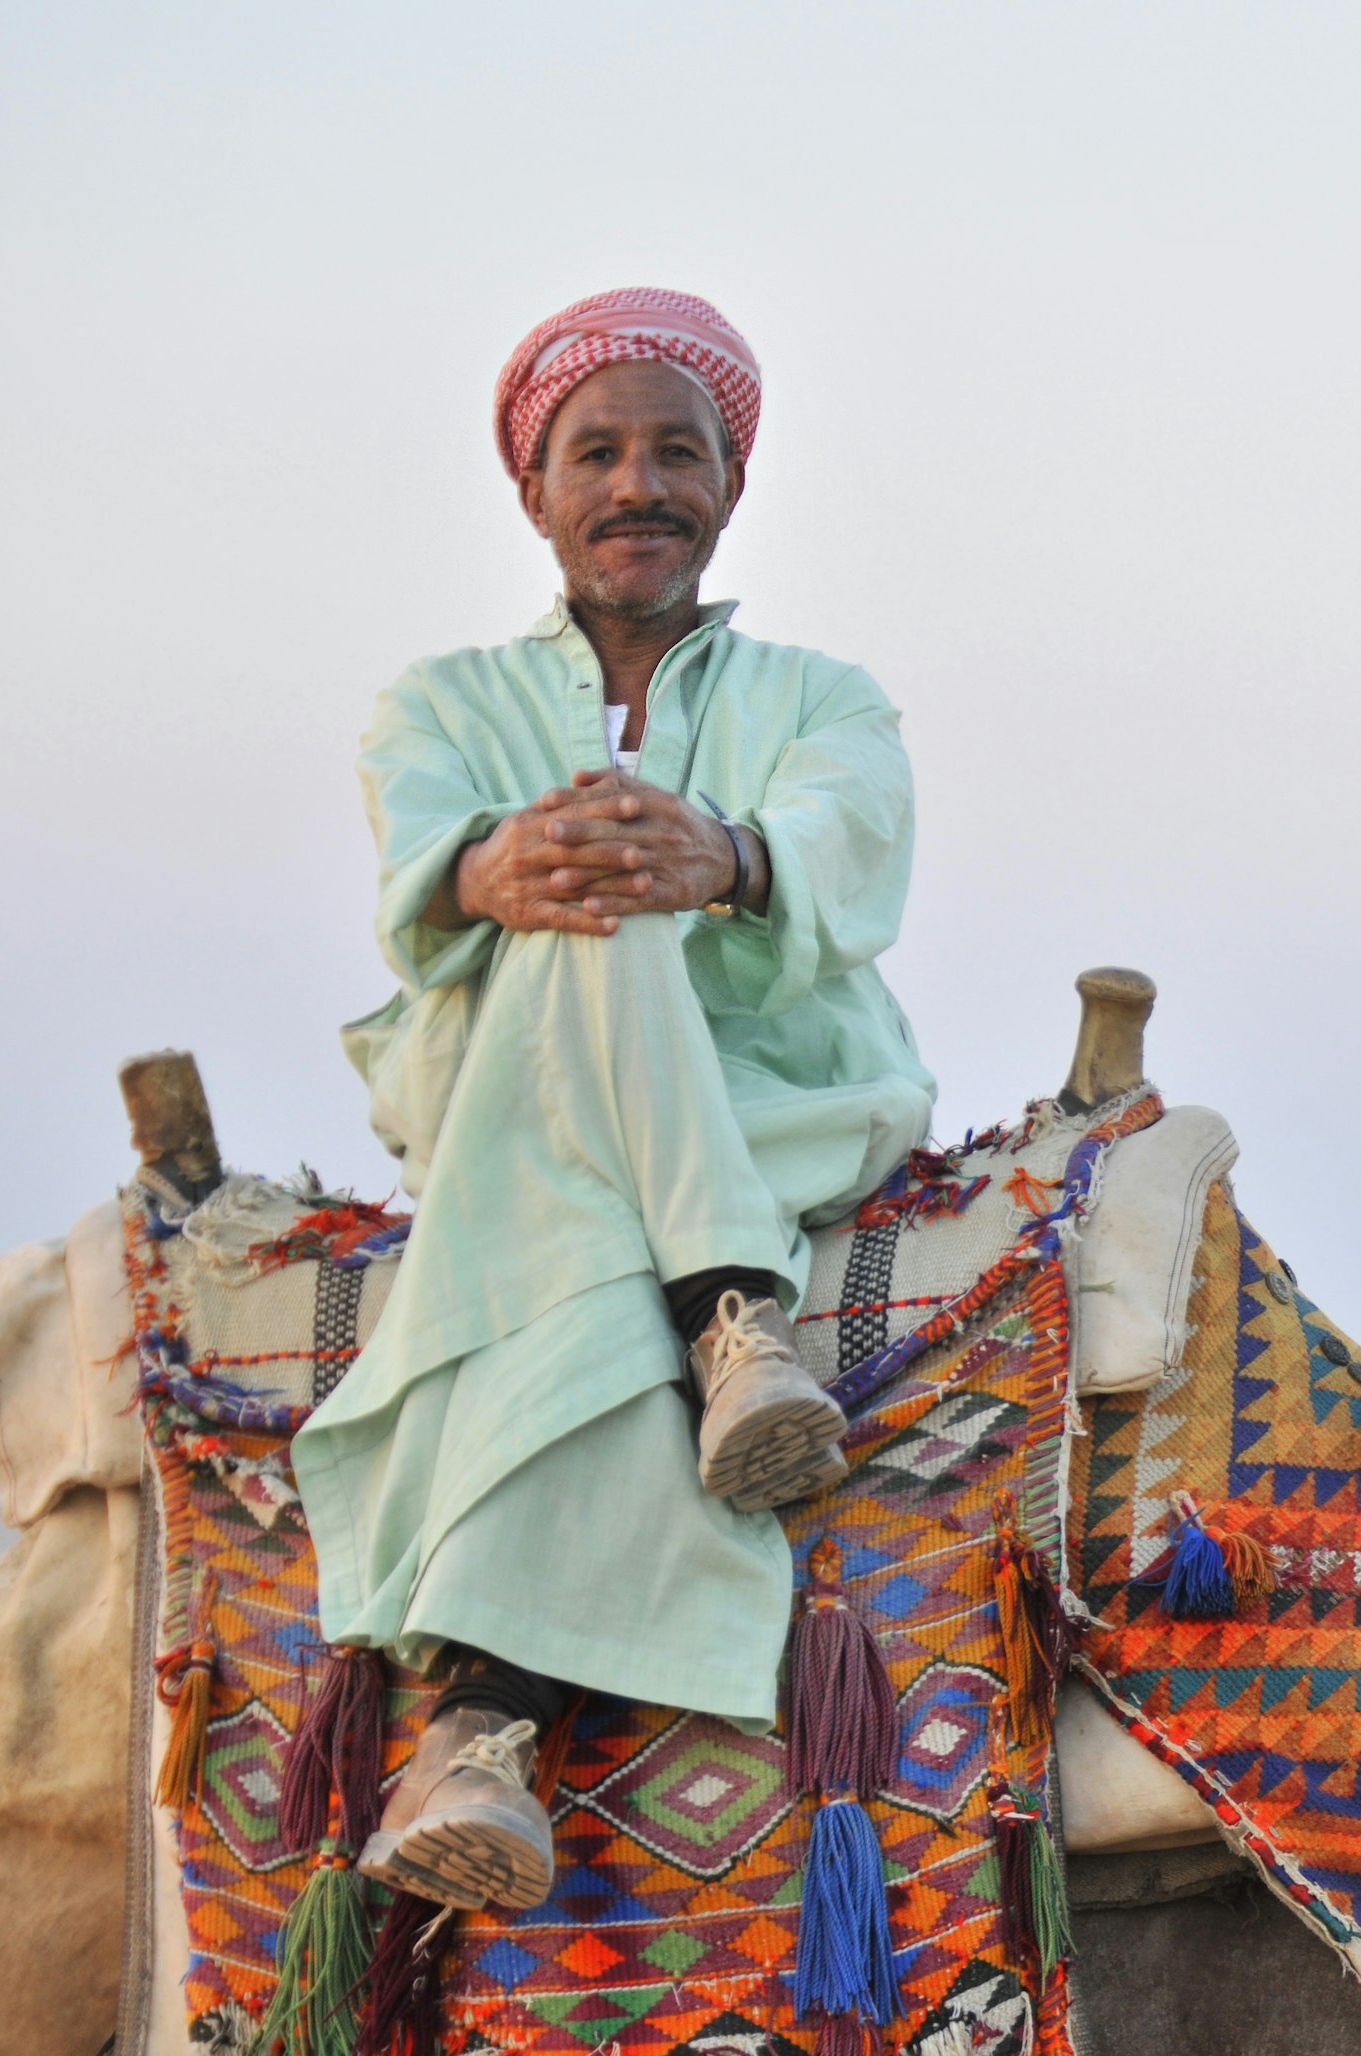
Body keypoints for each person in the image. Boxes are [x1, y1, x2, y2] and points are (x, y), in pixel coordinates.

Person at [289, 288, 933, 1910]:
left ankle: (484, 1729)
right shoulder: (436, 701)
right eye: (598, 452)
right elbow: (420, 879)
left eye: (676, 451)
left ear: (729, 483)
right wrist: (503, 865)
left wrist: (725, 854)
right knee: (584, 880)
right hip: (515, 1101)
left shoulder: (825, 695)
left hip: (775, 1102)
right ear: (536, 490)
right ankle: (729, 1320)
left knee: (622, 874)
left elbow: (845, 842)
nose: (637, 483)